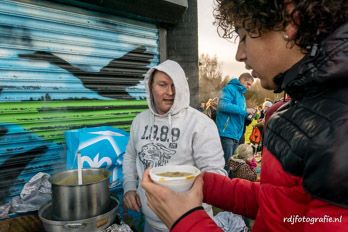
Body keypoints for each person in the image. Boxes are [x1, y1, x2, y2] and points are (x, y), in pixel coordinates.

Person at [141, 0, 348, 231]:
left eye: (244, 36)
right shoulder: (310, 108)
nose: (239, 55)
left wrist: (186, 220)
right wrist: (202, 183)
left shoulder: (339, 126)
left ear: (291, 22)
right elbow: (279, 204)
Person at [122, 59, 226, 232]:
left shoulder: (201, 124)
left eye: (174, 85)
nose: (170, 92)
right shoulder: (139, 121)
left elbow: (215, 173)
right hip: (150, 222)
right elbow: (130, 156)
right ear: (150, 87)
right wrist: (129, 187)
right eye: (162, 85)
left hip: (191, 224)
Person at [215, 73, 255, 169]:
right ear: (242, 80)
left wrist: (248, 117)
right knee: (226, 164)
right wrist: (245, 110)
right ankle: (222, 183)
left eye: (250, 85)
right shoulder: (229, 89)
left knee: (232, 165)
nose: (249, 87)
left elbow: (239, 113)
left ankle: (230, 183)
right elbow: (222, 105)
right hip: (226, 132)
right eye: (248, 84)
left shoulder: (242, 96)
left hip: (236, 134)